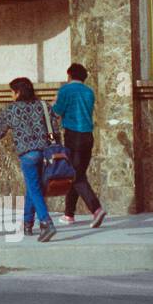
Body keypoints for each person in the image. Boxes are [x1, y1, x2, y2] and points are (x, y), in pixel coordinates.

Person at [0, 77, 61, 242]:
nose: (11, 95)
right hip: (45, 153)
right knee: (32, 187)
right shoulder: (43, 105)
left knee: (34, 188)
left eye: (12, 92)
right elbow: (55, 128)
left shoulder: (12, 109)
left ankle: (46, 222)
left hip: (28, 155)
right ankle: (28, 223)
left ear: (18, 92)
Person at [50, 62, 107, 228]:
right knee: (77, 172)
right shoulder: (89, 92)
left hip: (73, 136)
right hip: (88, 136)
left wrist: (54, 102)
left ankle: (96, 209)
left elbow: (57, 111)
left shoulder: (65, 90)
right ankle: (69, 214)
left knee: (75, 174)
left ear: (69, 75)